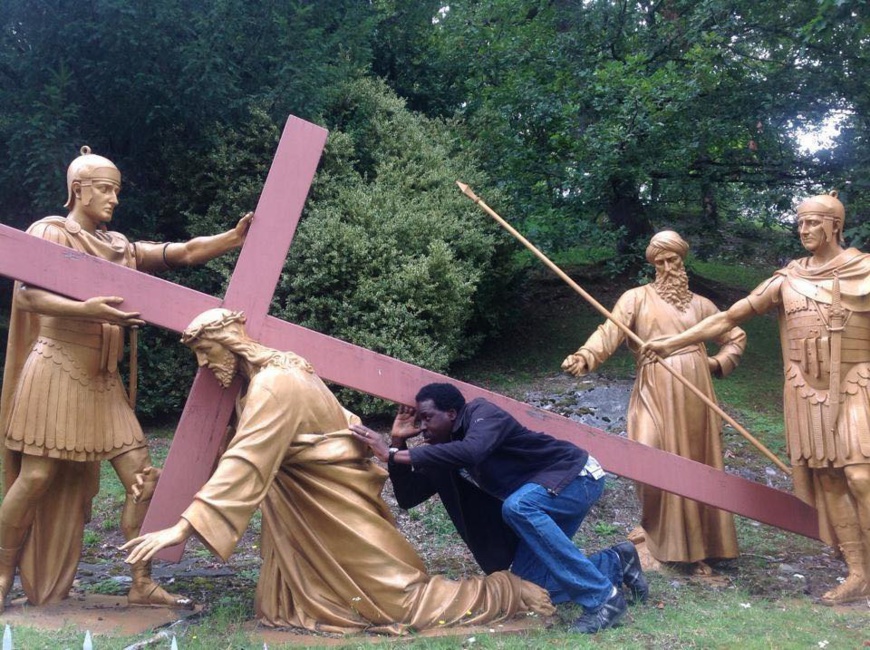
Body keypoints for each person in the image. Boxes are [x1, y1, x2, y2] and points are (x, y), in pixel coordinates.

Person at [122, 309, 554, 635]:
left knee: (399, 604)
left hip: (335, 506)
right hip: (310, 510)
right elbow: (249, 447)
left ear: (231, 343)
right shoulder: (277, 375)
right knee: (288, 608)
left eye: (205, 350)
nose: (202, 362)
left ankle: (509, 591)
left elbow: (248, 460)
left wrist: (183, 527)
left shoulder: (277, 384)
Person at [0, 146, 253, 610]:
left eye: (117, 190)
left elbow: (182, 253)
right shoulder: (51, 232)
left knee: (143, 477)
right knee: (36, 475)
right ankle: (0, 574)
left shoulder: (119, 247)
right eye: (104, 189)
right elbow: (27, 297)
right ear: (78, 189)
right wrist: (85, 310)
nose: (114, 198)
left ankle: (141, 580)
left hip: (103, 380)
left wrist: (232, 239)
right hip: (56, 367)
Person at [643, 192, 870, 605]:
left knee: (861, 476)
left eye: (814, 223)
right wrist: (672, 342)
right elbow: (730, 317)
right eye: (800, 223)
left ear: (835, 225)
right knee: (831, 480)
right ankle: (857, 572)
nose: (804, 230)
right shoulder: (787, 278)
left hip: (855, 382)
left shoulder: (865, 270)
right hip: (807, 391)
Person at [351, 383, 649, 634]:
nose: (423, 427)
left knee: (518, 507)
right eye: (419, 422)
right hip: (544, 497)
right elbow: (408, 497)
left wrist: (390, 454)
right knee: (528, 587)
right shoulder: (442, 455)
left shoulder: (483, 413)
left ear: (452, 413)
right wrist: (399, 443)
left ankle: (602, 600)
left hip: (577, 477)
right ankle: (616, 562)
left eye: (427, 418)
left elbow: (473, 450)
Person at [561, 231, 746, 575]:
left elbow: (734, 335)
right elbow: (610, 330)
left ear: (682, 260)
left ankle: (698, 547)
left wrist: (717, 362)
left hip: (696, 394)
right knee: (647, 455)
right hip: (654, 389)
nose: (665, 266)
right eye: (659, 261)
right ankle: (658, 532)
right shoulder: (636, 298)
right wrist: (586, 356)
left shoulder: (703, 306)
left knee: (695, 462)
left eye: (671, 259)